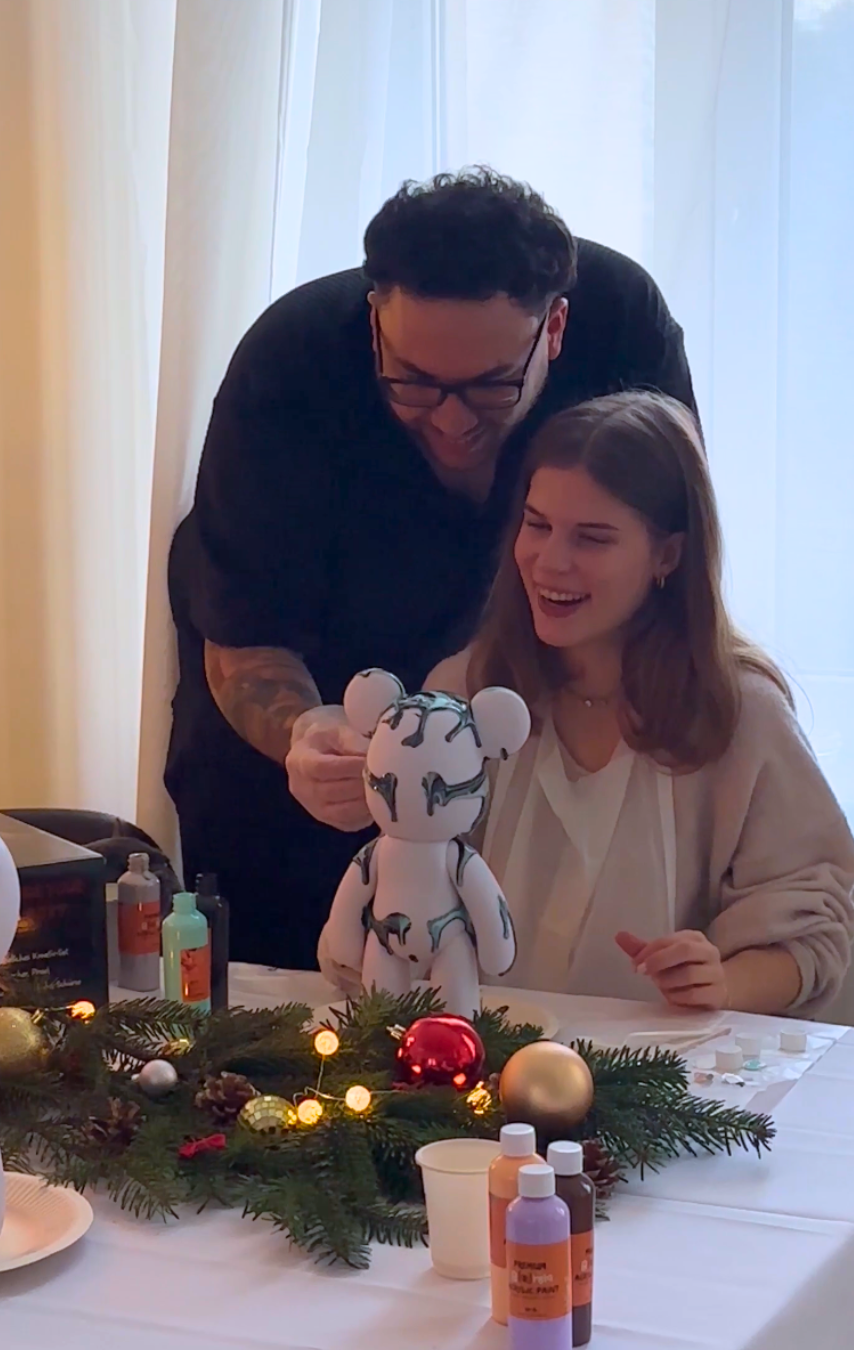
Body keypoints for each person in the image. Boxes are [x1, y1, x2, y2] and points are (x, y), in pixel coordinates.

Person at [167, 168, 696, 971]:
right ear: (374, 320)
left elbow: (668, 555)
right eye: (413, 383)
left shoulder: (624, 331)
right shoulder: (290, 364)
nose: (450, 421)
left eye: (491, 387)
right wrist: (306, 734)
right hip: (297, 778)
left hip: (517, 756)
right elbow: (245, 636)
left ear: (555, 329)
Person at [398, 391, 853, 1015]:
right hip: (473, 1057)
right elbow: (406, 887)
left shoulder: (740, 711)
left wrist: (722, 982)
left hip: (669, 1067)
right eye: (537, 525)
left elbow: (816, 929)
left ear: (668, 555)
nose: (550, 562)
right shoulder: (466, 692)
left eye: (592, 538)